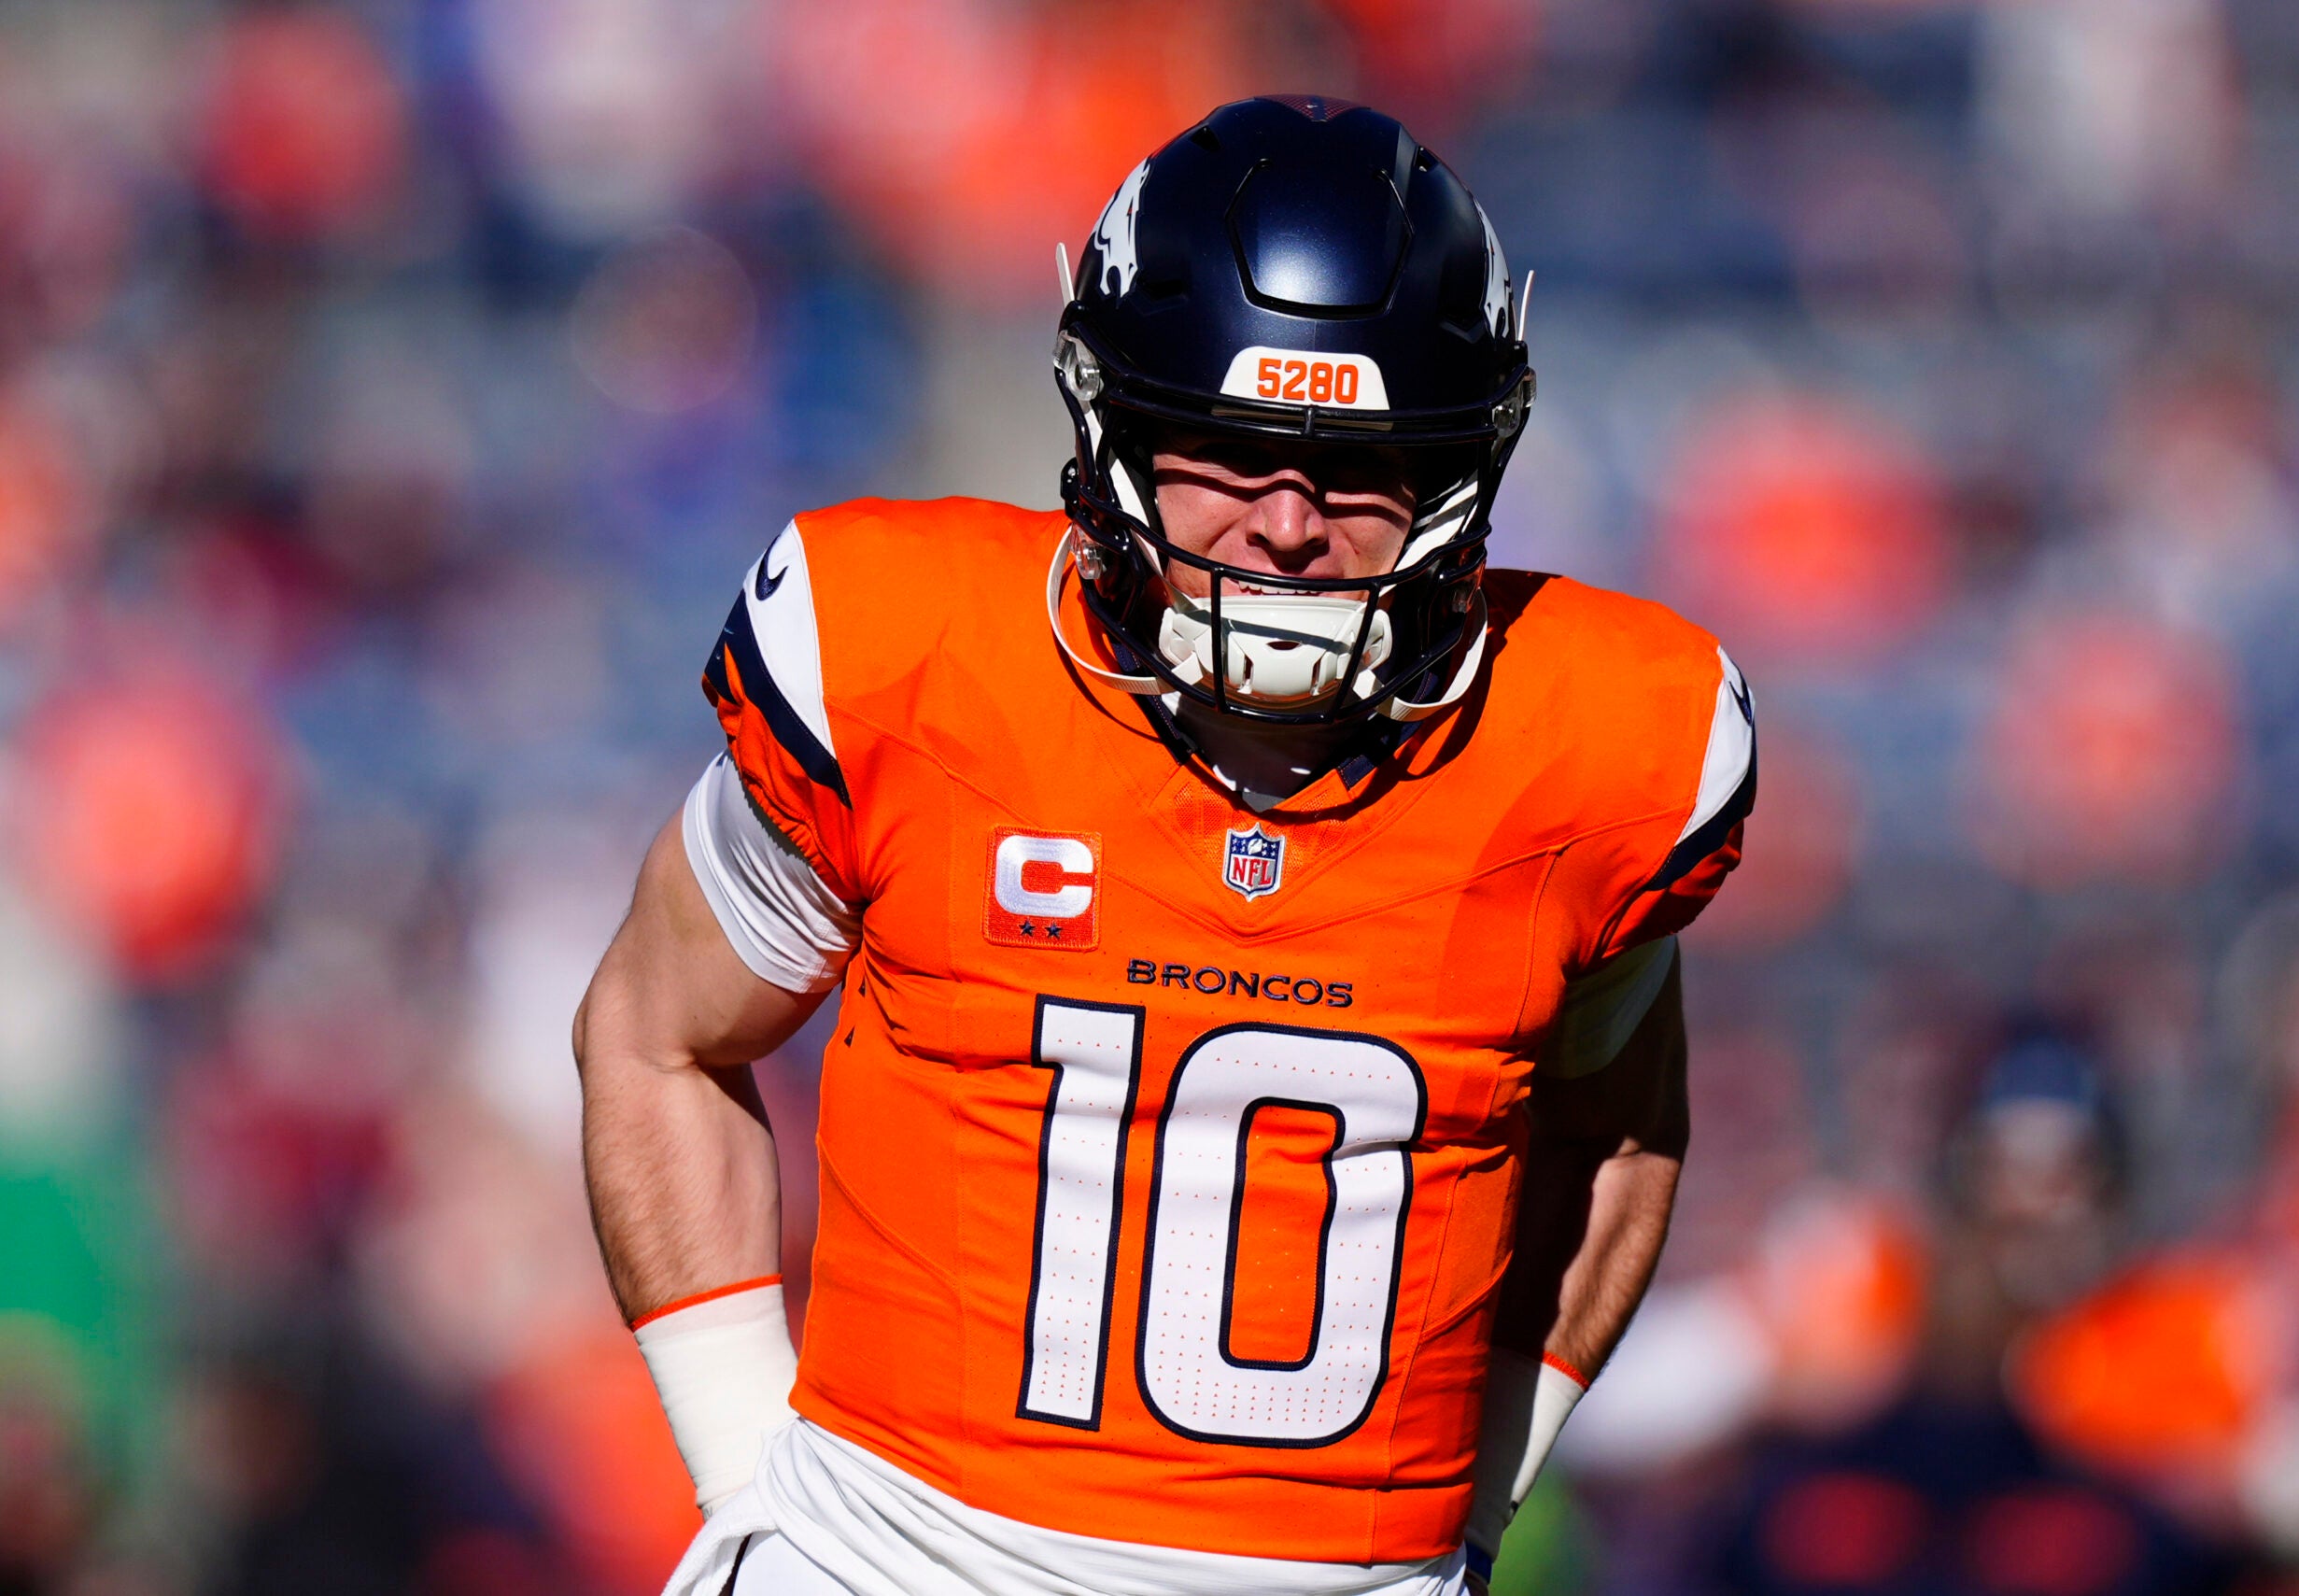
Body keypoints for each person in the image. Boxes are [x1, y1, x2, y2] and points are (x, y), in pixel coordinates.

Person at [575, 94, 1755, 1596]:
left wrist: (1465, 1517)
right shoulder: (911, 659)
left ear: (1465, 472)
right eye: (1229, 447)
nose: (1284, 522)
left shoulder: (1585, 743)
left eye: (1361, 465)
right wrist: (754, 1484)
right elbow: (655, 1030)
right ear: (1114, 422)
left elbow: (1619, 1135)